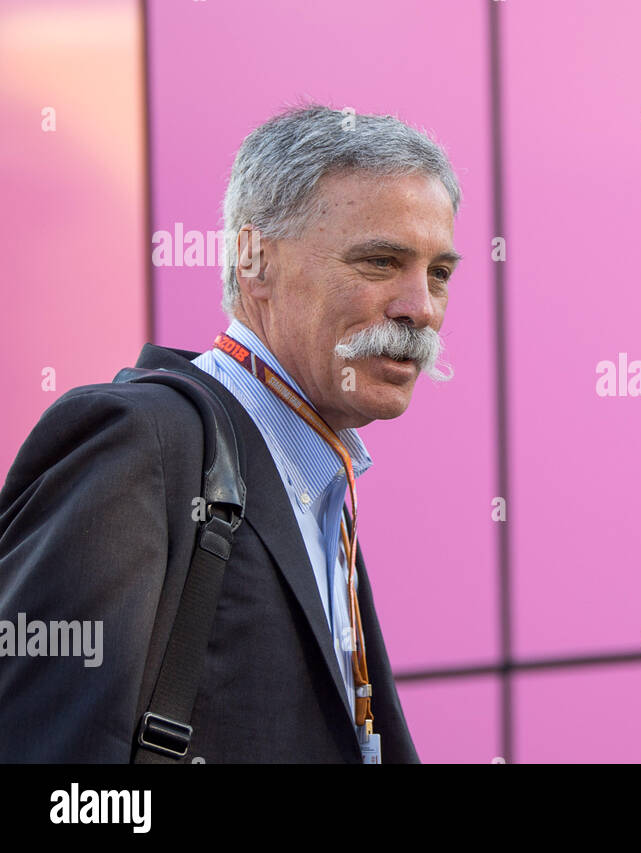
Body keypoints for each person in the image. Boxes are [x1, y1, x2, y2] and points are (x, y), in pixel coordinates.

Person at [0, 104, 462, 762]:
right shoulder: (139, 441)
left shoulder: (317, 467)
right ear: (256, 263)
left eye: (439, 273)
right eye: (381, 262)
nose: (420, 306)